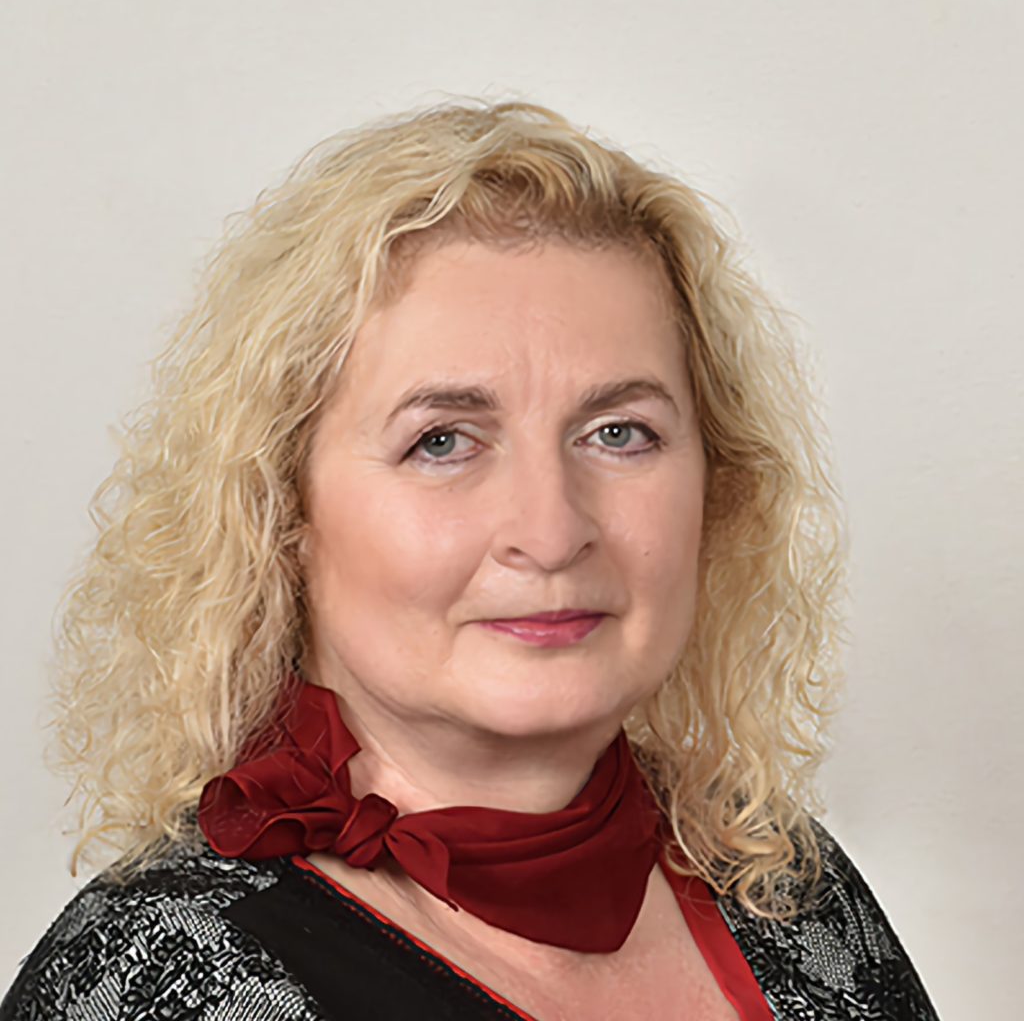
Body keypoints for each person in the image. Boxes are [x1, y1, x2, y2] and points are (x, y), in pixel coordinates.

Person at [1, 99, 938, 1020]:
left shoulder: (784, 884)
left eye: (619, 432)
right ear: (282, 511)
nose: (551, 530)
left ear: (716, 485)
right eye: (442, 441)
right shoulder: (156, 984)